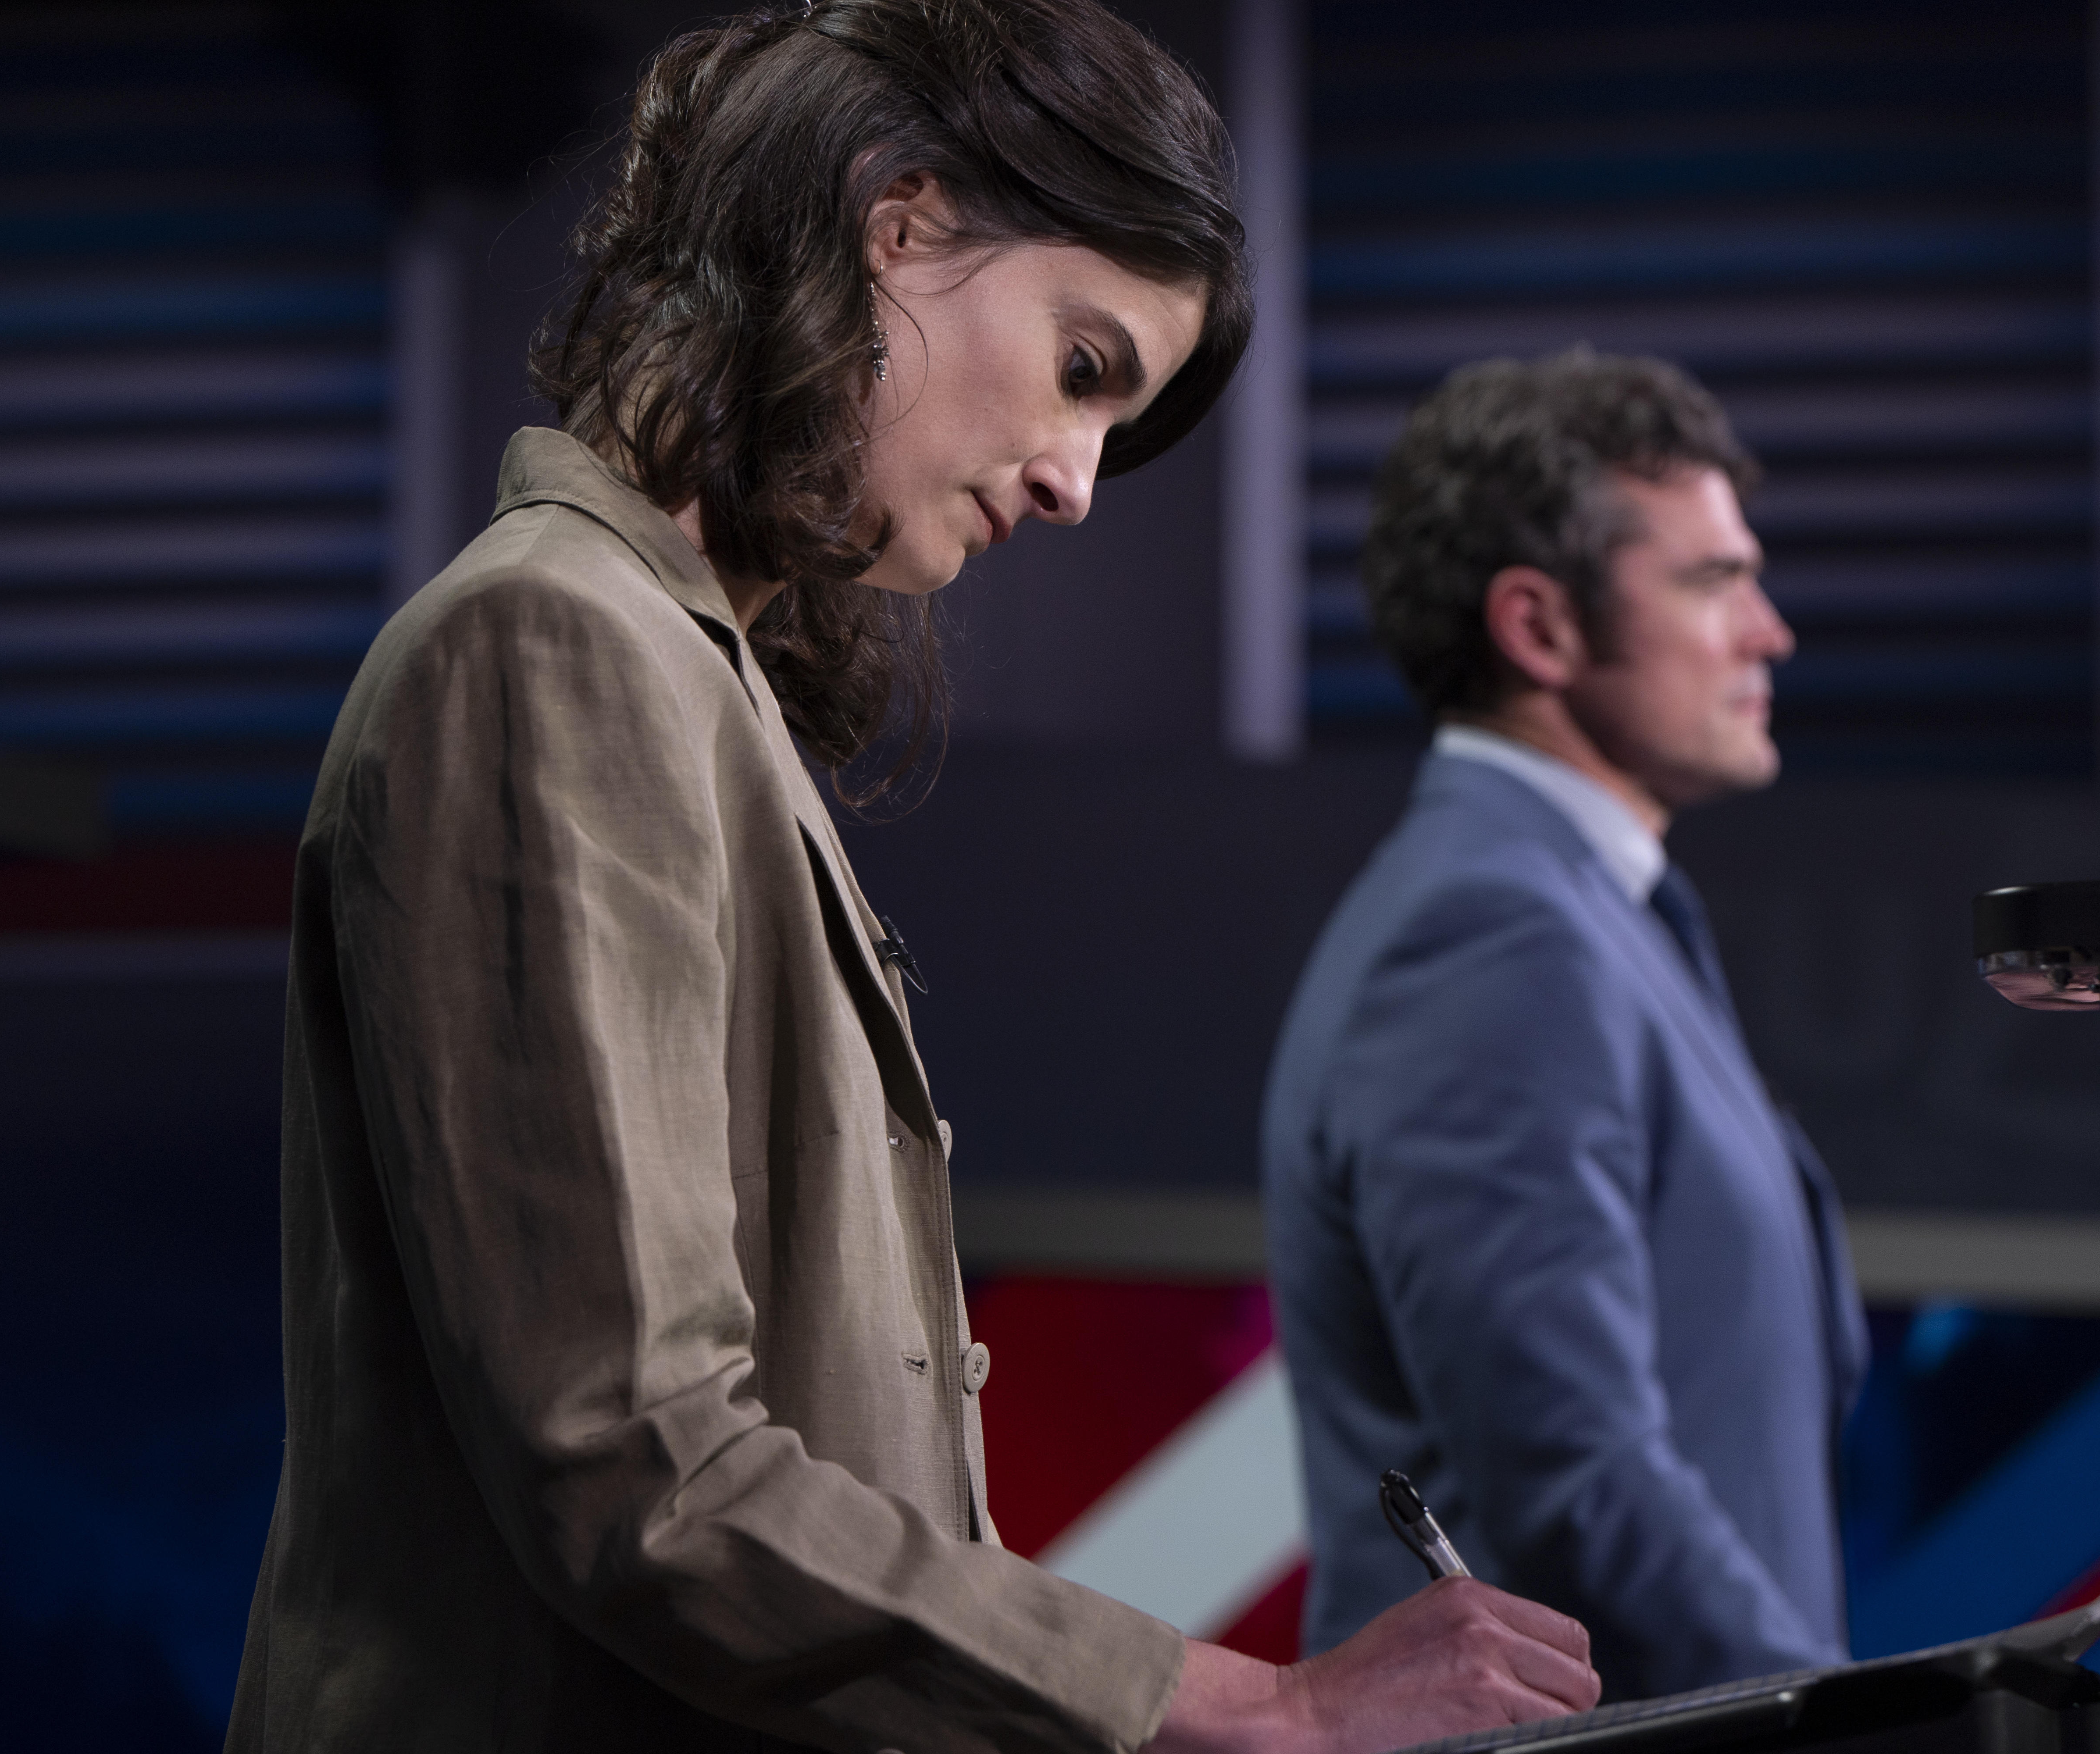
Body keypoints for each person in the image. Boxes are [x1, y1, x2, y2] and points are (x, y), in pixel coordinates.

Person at [227, 5, 1601, 1749]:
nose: (1078, 482)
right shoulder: (551, 649)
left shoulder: (674, 676)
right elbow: (642, 1470)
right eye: (1086, 367)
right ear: (903, 222)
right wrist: (1252, 1704)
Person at [1262, 350, 1869, 1703]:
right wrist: (1845, 1726)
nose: (1769, 630)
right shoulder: (1495, 930)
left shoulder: (1590, 906)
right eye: (1715, 581)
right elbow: (1577, 1484)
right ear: (1539, 629)